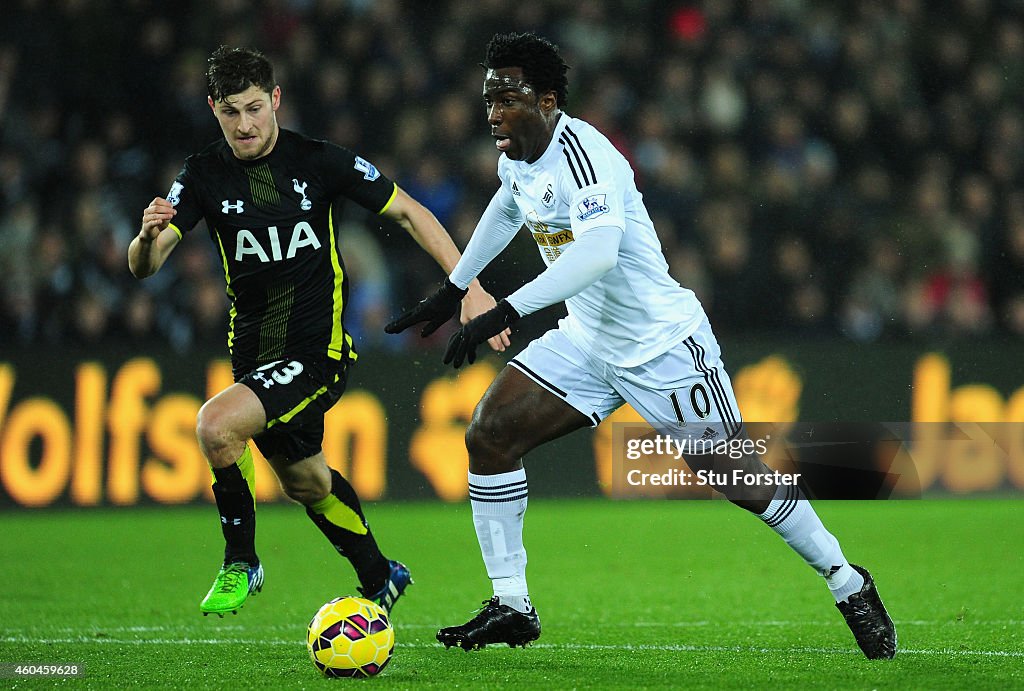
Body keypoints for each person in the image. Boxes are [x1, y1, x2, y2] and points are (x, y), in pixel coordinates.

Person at [386, 32, 897, 659]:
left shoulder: (588, 156)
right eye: (488, 99)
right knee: (488, 434)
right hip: (588, 341)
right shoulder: (516, 156)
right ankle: (512, 604)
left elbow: (598, 255)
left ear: (547, 101)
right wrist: (455, 288)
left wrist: (506, 308)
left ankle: (847, 581)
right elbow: (507, 207)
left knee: (734, 474)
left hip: (663, 346)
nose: (493, 112)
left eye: (508, 98)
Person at [128, 46, 508, 618]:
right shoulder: (203, 174)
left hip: (317, 353)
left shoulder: (319, 161)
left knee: (215, 426)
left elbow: (410, 211)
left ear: (276, 99)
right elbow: (146, 266)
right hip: (253, 359)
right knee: (306, 483)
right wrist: (144, 237)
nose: (246, 123)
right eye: (231, 111)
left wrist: (468, 286)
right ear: (213, 109)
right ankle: (381, 574)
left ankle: (241, 562)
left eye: (255, 107)